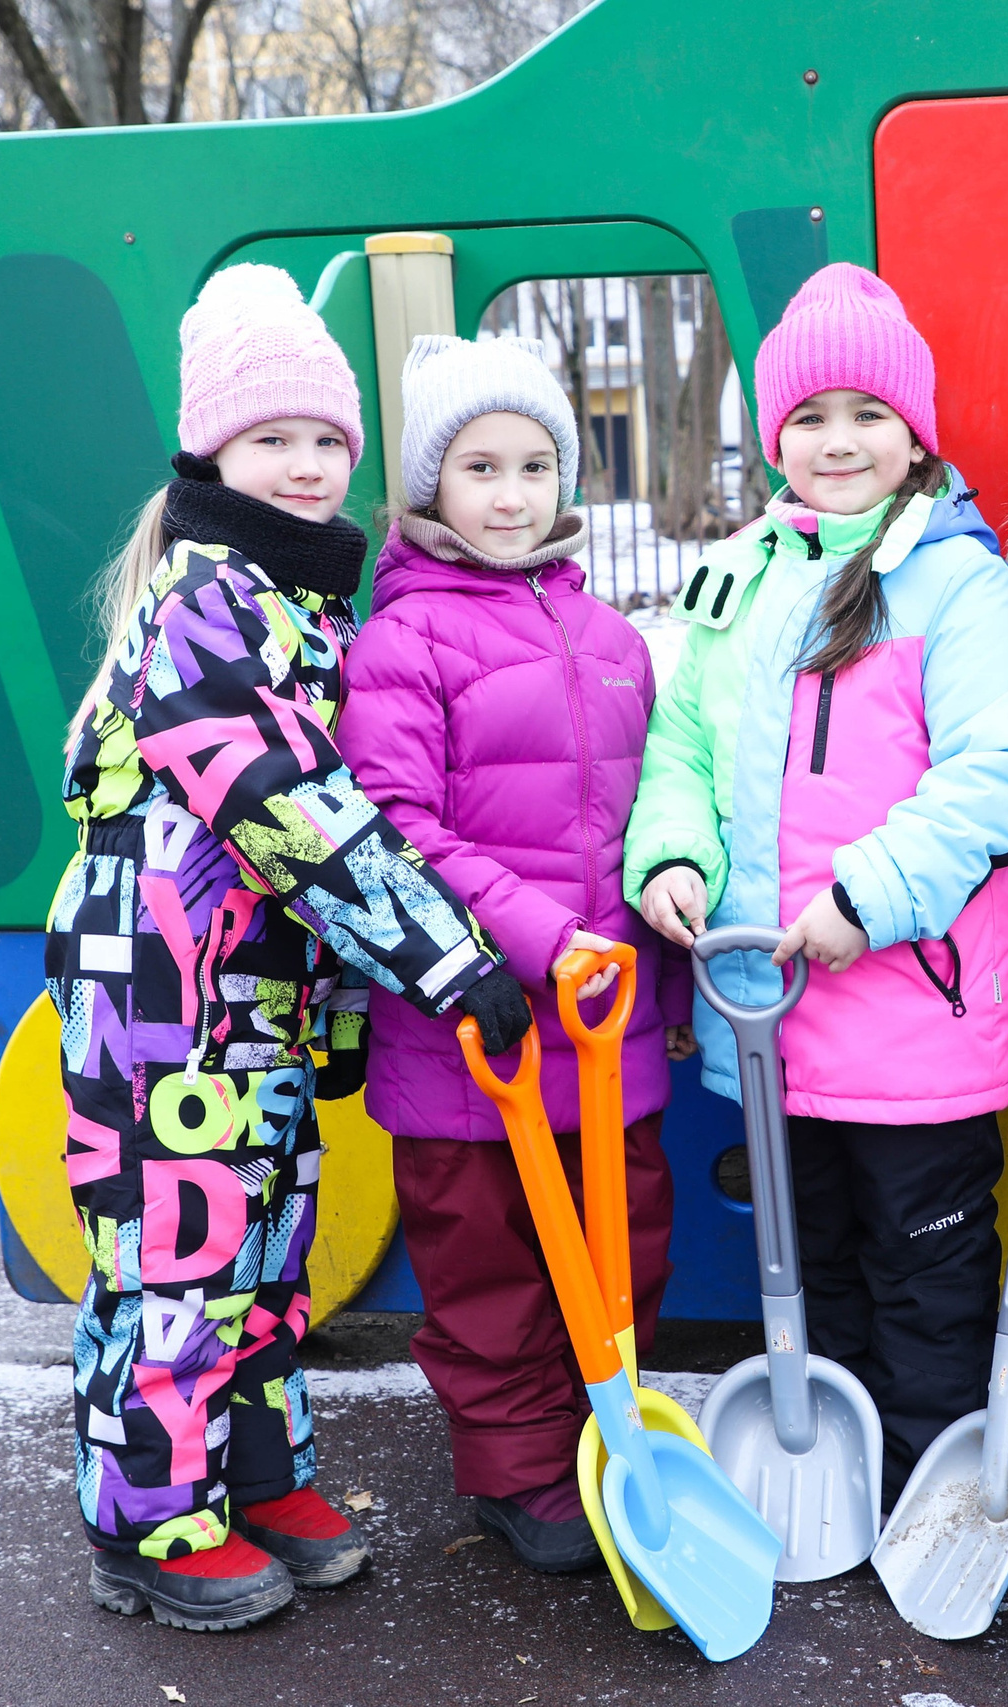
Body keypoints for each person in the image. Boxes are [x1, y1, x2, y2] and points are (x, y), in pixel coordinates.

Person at [49, 264, 532, 1633]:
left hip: (245, 999)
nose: (311, 466)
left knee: (264, 1248)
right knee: (177, 1259)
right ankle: (148, 1518)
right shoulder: (207, 601)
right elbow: (292, 817)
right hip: (158, 1002)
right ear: (212, 450)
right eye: (277, 440)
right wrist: (447, 956)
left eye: (329, 440)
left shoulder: (299, 599)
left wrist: (325, 1022)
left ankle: (253, 1474)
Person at [624, 263, 1008, 1499]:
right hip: (768, 1015)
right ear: (774, 439)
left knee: (923, 1274)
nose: (837, 441)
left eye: (866, 414)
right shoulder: (744, 573)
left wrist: (867, 895)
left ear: (913, 432)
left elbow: (1003, 763)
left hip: (907, 1009)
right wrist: (670, 856)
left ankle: (927, 1488)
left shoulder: (954, 579)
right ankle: (841, 1488)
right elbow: (685, 746)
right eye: (809, 418)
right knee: (803, 1263)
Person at [334, 333, 688, 1574]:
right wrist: (542, 939)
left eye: (534, 464)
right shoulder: (401, 644)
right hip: (471, 1031)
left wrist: (670, 971)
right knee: (489, 1266)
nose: (510, 493)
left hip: (612, 1029)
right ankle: (516, 1472)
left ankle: (610, 1438)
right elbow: (399, 831)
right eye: (478, 466)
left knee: (619, 1247)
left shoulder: (614, 640)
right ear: (428, 488)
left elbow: (651, 821)